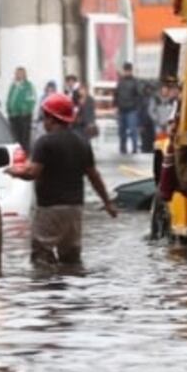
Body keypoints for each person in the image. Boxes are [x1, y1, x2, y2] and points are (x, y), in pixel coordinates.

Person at [8, 93, 118, 265]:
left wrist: (14, 172)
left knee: (41, 258)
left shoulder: (44, 142)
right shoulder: (82, 142)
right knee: (71, 260)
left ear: (51, 119)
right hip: (74, 210)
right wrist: (108, 203)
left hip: (49, 210)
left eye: (45, 117)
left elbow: (32, 174)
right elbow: (94, 176)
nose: (44, 122)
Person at [6, 67, 37, 152]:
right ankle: (17, 153)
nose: (17, 75)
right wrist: (8, 109)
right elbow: (9, 98)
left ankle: (25, 153)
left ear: (24, 74)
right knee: (15, 137)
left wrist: (25, 110)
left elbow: (32, 99)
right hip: (13, 116)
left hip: (24, 116)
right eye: (16, 73)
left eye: (19, 73)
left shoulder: (28, 85)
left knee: (24, 137)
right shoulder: (13, 85)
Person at [114, 62, 140, 155]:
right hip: (121, 109)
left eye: (128, 70)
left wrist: (136, 106)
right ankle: (123, 148)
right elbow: (116, 95)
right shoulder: (120, 82)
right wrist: (116, 106)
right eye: (126, 70)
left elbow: (138, 95)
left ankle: (134, 148)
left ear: (131, 71)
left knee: (133, 130)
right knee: (122, 131)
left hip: (131, 110)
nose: (127, 72)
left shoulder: (135, 82)